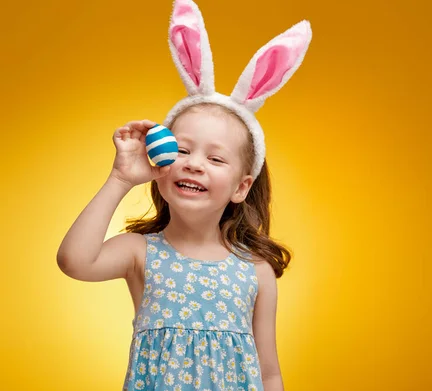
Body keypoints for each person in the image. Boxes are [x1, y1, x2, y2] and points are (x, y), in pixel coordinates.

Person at [56, 0, 312, 389]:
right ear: (160, 164)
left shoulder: (255, 270)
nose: (194, 164)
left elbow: (269, 370)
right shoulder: (139, 252)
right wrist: (121, 179)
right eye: (183, 150)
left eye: (215, 158)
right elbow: (74, 261)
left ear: (242, 187)